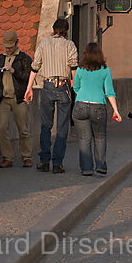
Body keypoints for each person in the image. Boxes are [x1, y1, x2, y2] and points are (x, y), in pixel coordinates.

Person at [24, 17, 79, 174]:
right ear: (67, 31)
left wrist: (29, 89)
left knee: (46, 125)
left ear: (53, 30)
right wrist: (75, 88)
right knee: (62, 128)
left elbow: (34, 68)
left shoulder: (43, 44)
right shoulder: (70, 45)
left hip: (47, 86)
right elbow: (74, 69)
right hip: (63, 86)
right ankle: (57, 163)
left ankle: (44, 160)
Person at [71, 42, 122, 176]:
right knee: (99, 137)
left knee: (84, 138)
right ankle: (100, 165)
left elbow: (75, 87)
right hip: (98, 106)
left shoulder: (80, 69)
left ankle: (86, 168)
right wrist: (115, 110)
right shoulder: (105, 70)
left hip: (80, 105)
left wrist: (83, 95)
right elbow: (109, 92)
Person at [0, 29, 33, 169]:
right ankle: (7, 157)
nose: (8, 49)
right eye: (6, 47)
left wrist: (15, 72)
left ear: (16, 44)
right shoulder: (0, 58)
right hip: (4, 98)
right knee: (2, 127)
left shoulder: (24, 58)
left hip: (19, 98)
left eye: (10, 47)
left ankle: (27, 157)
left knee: (23, 129)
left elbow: (28, 77)